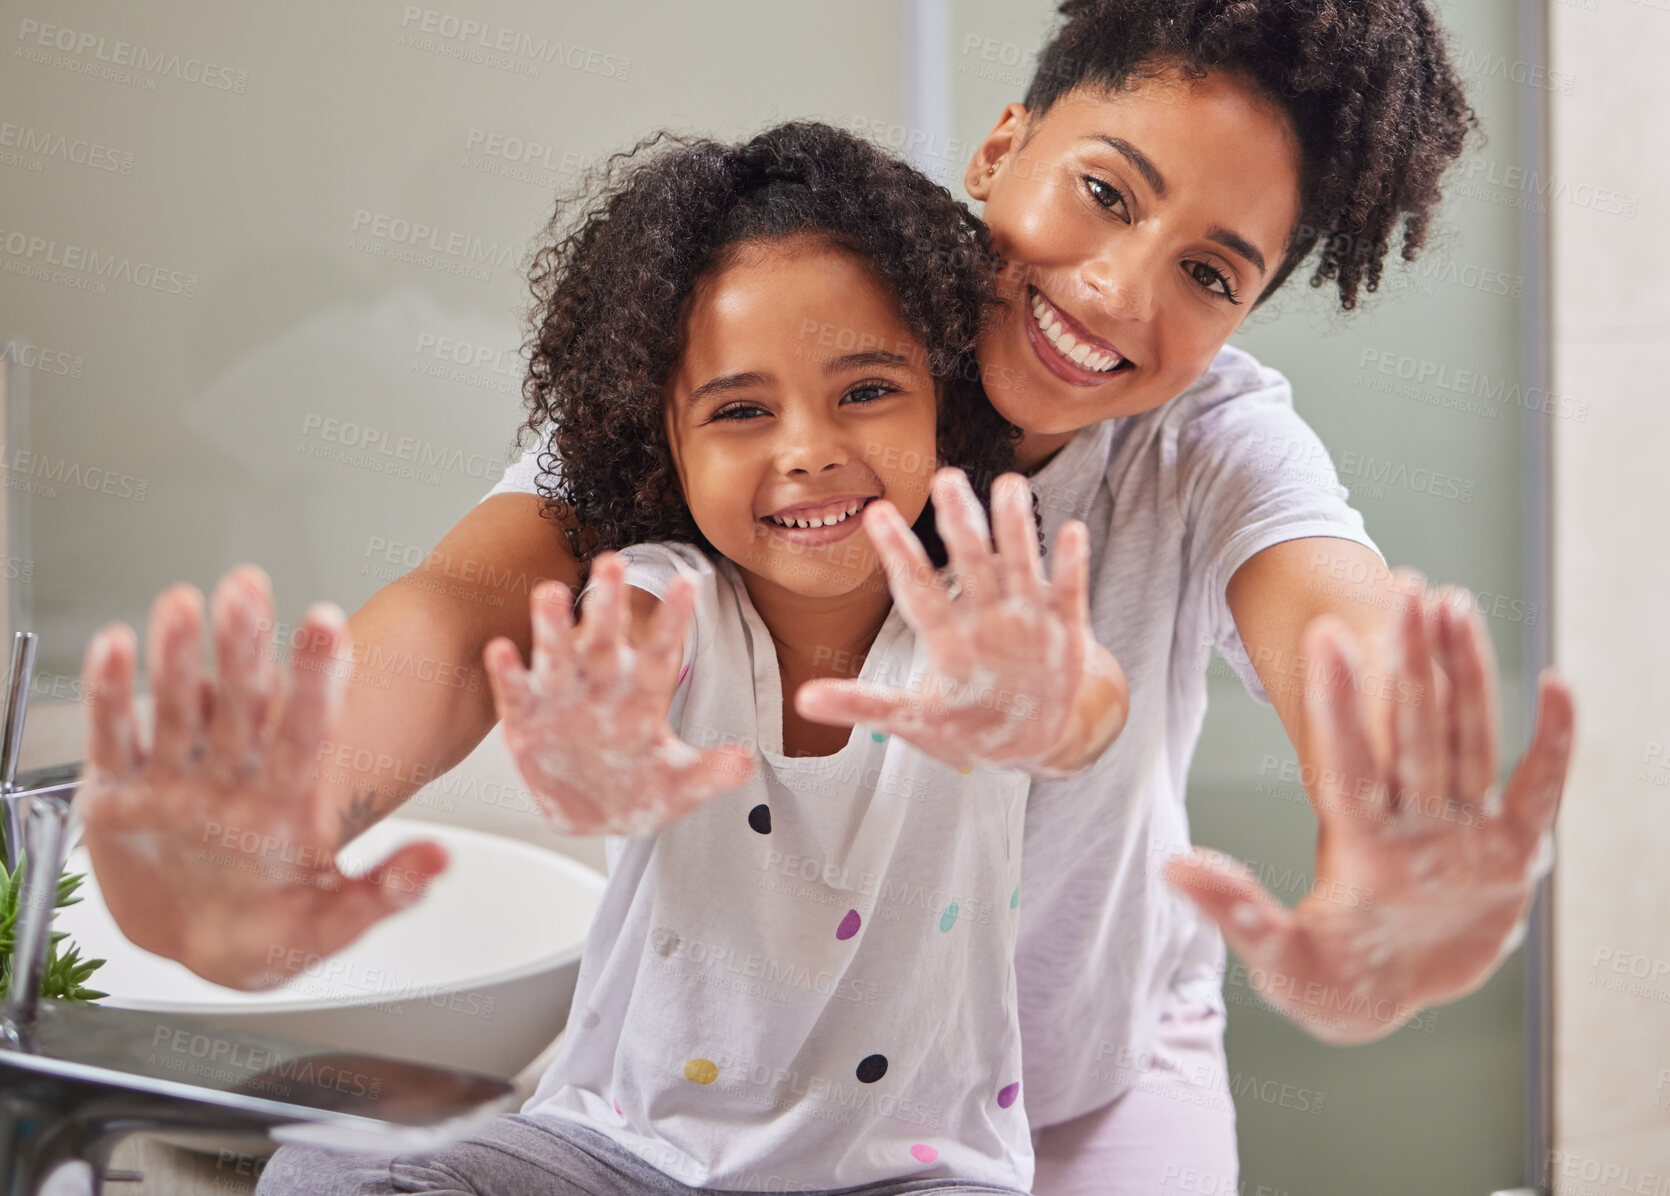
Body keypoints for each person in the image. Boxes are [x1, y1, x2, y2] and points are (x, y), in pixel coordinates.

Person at [77, 2, 1575, 1192]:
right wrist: (282, 809)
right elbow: (476, 601)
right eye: (1103, 192)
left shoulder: (1210, 445)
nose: (1119, 291)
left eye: (1209, 271)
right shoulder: (777, 325)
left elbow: (1335, 621)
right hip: (763, 1087)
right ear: (1003, 145)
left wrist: (1400, 840)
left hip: (1083, 1079)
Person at [254, 121, 1127, 1195]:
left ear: (941, 393)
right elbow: (621, 646)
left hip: (914, 1172)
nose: (805, 448)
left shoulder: (981, 608)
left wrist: (1046, 709)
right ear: (659, 439)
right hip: (619, 1150)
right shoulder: (671, 589)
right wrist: (593, 731)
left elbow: (1083, 695)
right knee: (325, 1165)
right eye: (740, 411)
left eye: (864, 389)